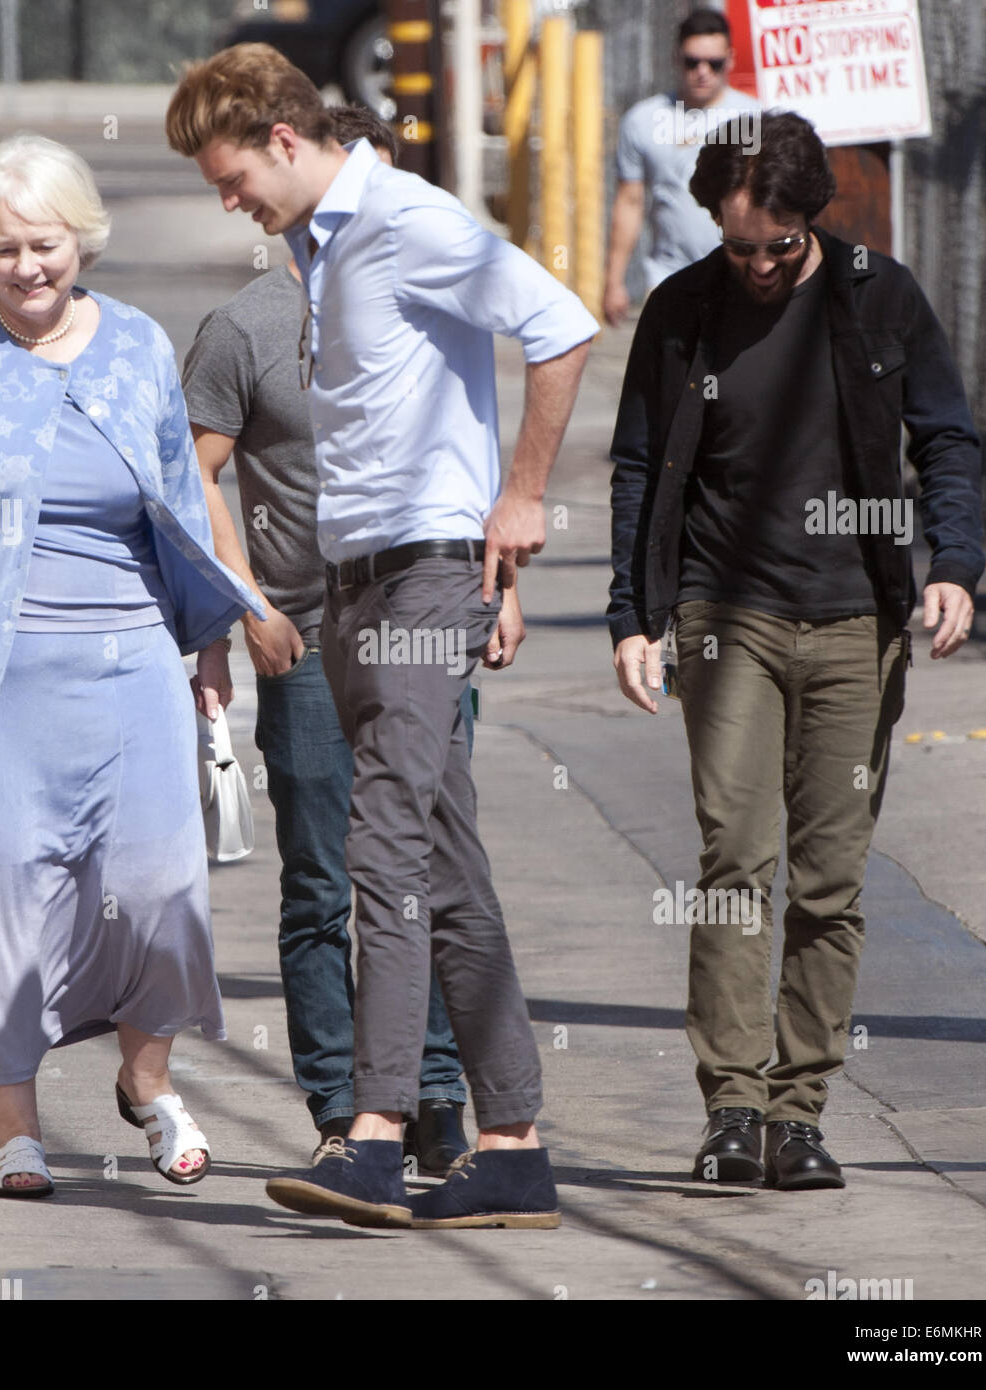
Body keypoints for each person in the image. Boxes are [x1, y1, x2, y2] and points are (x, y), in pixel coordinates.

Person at [167, 44, 597, 1228]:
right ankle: (510, 1140)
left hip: (421, 574)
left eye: (231, 174)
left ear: (286, 140)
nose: (228, 200)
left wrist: (517, 497)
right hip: (346, 583)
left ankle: (375, 1130)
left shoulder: (405, 218)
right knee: (447, 861)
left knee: (385, 846)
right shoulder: (320, 246)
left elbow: (559, 326)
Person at [0, 134, 263, 1197]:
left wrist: (208, 645)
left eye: (45, 245)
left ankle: (147, 1078)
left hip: (128, 669)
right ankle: (13, 1125)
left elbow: (179, 509)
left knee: (159, 890)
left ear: (82, 238)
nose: (28, 268)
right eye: (4, 251)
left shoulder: (133, 346)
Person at [608, 110, 985, 1190]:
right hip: (727, 616)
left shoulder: (880, 294)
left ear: (810, 219)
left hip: (857, 621)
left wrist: (951, 562)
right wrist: (634, 617)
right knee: (734, 860)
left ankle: (797, 1109)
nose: (762, 265)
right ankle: (731, 1103)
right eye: (740, 248)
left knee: (828, 879)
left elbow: (946, 436)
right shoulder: (683, 313)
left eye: (779, 245)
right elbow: (639, 469)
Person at [603, 7, 761, 326]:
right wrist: (614, 280)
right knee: (670, 372)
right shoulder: (643, 120)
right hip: (668, 274)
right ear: (677, 58)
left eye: (714, 63)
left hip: (739, 275)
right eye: (692, 62)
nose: (702, 71)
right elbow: (630, 202)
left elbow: (766, 199)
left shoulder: (753, 118)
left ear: (730, 59)